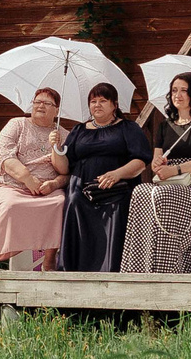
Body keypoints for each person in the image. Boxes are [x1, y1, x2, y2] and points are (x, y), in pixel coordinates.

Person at [123, 72, 191, 273]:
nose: (178, 95)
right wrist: (158, 164)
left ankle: (168, 267)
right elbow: (155, 166)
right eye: (174, 90)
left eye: (184, 90)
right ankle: (139, 267)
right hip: (169, 182)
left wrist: (175, 169)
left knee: (163, 196)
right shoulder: (164, 125)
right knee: (140, 192)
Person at [58, 83, 150, 272]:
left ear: (114, 105)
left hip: (117, 187)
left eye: (102, 100)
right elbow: (64, 166)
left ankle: (112, 271)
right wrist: (55, 149)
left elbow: (141, 161)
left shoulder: (128, 128)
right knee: (74, 200)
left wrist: (117, 174)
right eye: (93, 101)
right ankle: (74, 270)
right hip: (81, 186)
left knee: (117, 206)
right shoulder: (78, 130)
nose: (97, 105)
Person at [0, 88, 67, 271]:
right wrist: (28, 179)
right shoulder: (17, 124)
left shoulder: (64, 134)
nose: (40, 106)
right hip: (12, 185)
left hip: (47, 189)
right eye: (37, 101)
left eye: (47, 103)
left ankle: (49, 260)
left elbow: (67, 172)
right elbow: (4, 156)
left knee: (60, 203)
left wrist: (53, 182)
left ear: (57, 110)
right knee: (11, 206)